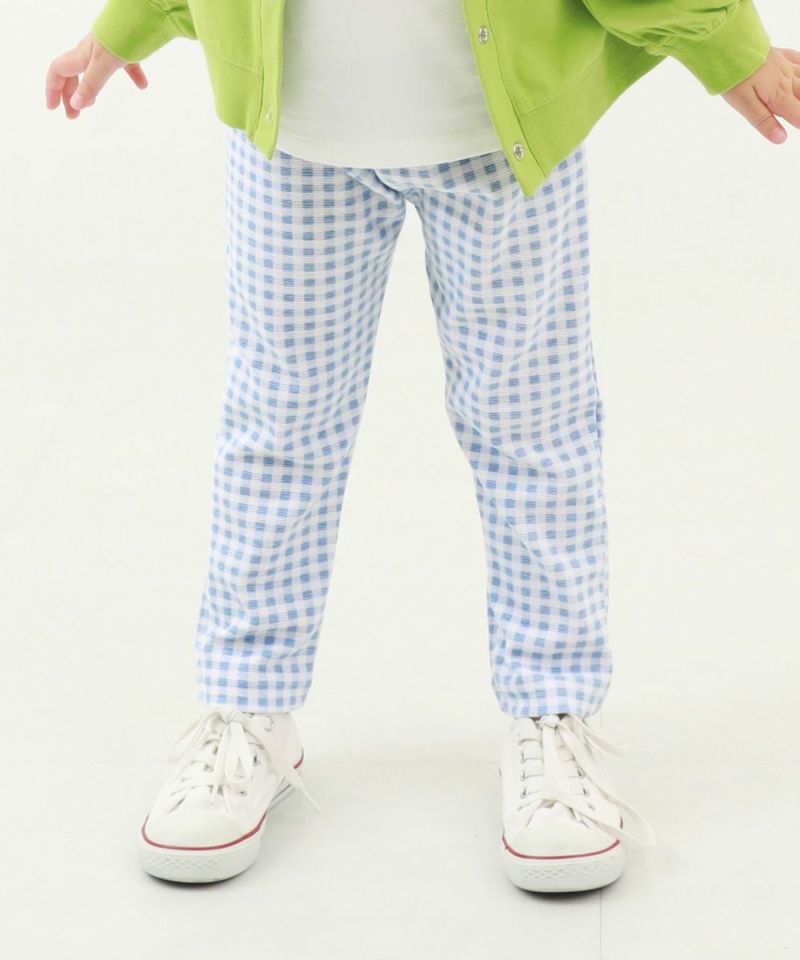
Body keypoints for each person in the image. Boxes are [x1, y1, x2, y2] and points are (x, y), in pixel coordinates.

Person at [45, 0, 798, 893]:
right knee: (277, 434)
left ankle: (552, 714)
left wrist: (725, 42)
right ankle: (248, 708)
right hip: (296, 141)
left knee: (534, 430)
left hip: (502, 137)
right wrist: (122, 28)